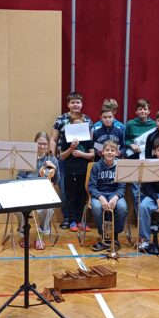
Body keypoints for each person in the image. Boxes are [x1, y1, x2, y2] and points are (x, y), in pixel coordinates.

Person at [51, 92, 93, 229]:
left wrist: (83, 153)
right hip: (65, 160)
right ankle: (68, 218)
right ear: (68, 104)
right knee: (65, 190)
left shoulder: (87, 120)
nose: (75, 104)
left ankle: (79, 219)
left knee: (81, 192)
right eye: (73, 102)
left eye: (78, 102)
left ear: (81, 104)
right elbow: (53, 139)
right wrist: (52, 156)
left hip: (82, 162)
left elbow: (90, 142)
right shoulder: (60, 119)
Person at [15, 131, 58, 250]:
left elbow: (56, 181)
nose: (42, 146)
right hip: (27, 192)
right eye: (39, 143)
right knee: (19, 208)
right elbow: (19, 178)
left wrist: (54, 169)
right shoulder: (27, 158)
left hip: (44, 193)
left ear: (48, 144)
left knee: (47, 208)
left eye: (45, 144)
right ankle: (23, 236)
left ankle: (40, 236)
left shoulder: (52, 159)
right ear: (35, 143)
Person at [87, 141, 126, 251]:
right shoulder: (96, 166)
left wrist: (116, 197)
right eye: (107, 150)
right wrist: (100, 197)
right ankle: (105, 237)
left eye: (112, 150)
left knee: (122, 207)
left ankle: (115, 237)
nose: (110, 152)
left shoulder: (120, 166)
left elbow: (122, 187)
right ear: (102, 152)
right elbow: (91, 187)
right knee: (96, 207)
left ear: (117, 153)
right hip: (100, 194)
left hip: (115, 194)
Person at [59, 111, 94, 233]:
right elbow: (62, 156)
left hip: (83, 170)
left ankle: (80, 220)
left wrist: (81, 154)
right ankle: (72, 220)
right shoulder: (67, 139)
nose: (77, 127)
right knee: (71, 196)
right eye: (75, 125)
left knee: (81, 196)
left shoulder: (87, 138)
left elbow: (92, 155)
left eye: (80, 125)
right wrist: (71, 148)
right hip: (70, 170)